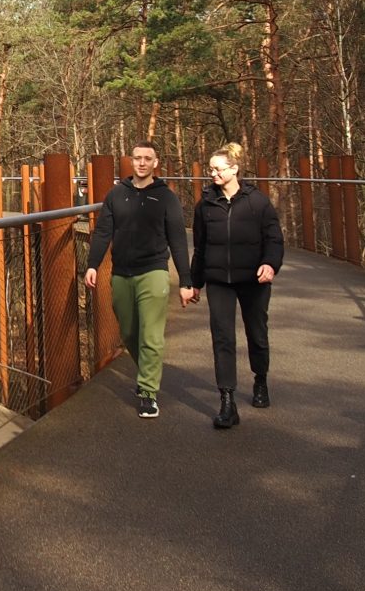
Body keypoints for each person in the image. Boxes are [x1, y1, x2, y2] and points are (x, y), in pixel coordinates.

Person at [84, 140, 191, 417]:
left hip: (154, 271)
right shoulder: (117, 195)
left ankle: (147, 392)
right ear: (131, 162)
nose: (142, 163)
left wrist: (186, 281)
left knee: (152, 336)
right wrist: (93, 264)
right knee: (129, 331)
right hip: (122, 272)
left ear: (156, 163)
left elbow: (178, 240)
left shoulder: (165, 197)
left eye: (147, 158)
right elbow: (103, 231)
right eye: (137, 158)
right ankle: (147, 372)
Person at [181, 141, 283, 428]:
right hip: (218, 281)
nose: (212, 174)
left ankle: (260, 380)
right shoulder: (205, 206)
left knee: (257, 333)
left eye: (218, 169)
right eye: (211, 169)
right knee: (223, 338)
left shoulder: (257, 202)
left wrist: (270, 264)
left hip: (253, 279)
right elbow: (200, 247)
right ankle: (227, 401)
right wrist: (193, 282)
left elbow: (274, 238)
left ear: (234, 169)